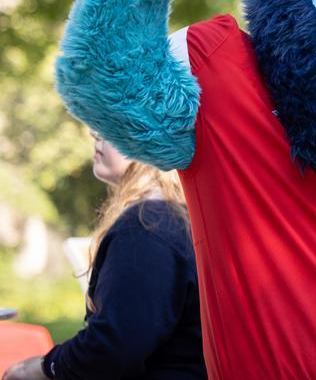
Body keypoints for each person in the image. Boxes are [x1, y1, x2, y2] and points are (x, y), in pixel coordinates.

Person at [3, 133, 203, 380]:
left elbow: (115, 347)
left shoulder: (147, 225)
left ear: (149, 137)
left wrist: (44, 367)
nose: (95, 134)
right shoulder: (170, 215)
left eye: (114, 126)